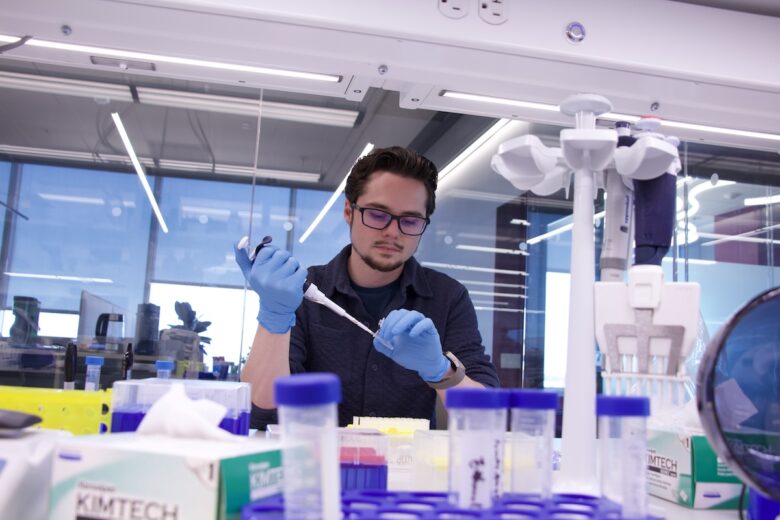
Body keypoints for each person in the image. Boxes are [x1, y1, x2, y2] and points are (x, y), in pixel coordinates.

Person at [235, 146, 499, 429]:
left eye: (410, 220)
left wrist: (440, 370)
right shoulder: (301, 291)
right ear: (349, 211)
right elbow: (261, 410)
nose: (393, 232)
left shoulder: (448, 298)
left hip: (409, 469)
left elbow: (488, 417)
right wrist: (274, 317)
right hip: (316, 463)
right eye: (377, 214)